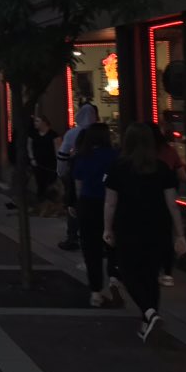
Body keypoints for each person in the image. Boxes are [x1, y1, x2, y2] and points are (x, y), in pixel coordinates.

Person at [103, 123, 186, 343]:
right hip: (157, 226)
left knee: (130, 272)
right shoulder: (161, 168)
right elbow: (172, 205)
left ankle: (149, 313)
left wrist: (107, 228)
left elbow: (111, 203)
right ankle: (148, 318)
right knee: (150, 274)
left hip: (128, 226)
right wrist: (179, 234)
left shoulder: (119, 168)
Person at [71, 123, 120, 306]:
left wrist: (78, 203)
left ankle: (96, 292)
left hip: (89, 204)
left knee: (91, 249)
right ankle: (114, 277)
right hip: (112, 203)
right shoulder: (115, 156)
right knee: (113, 243)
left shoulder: (83, 158)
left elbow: (78, 185)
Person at [56, 102, 99, 250]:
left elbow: (62, 154)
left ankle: (73, 237)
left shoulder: (72, 133)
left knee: (73, 205)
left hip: (76, 173)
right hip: (97, 175)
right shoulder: (99, 133)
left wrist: (61, 172)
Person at [150, 123, 186, 287]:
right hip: (166, 197)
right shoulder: (169, 151)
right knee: (165, 235)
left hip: (146, 200)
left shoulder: (141, 154)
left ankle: (153, 267)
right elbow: (183, 175)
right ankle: (167, 272)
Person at [28, 114, 62, 214]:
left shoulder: (53, 135)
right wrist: (32, 158)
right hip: (38, 164)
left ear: (44, 122)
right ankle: (40, 205)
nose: (35, 124)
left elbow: (58, 150)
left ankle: (50, 207)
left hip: (51, 164)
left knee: (50, 185)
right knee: (40, 184)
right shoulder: (33, 134)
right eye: (35, 121)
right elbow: (29, 146)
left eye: (37, 121)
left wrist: (59, 164)